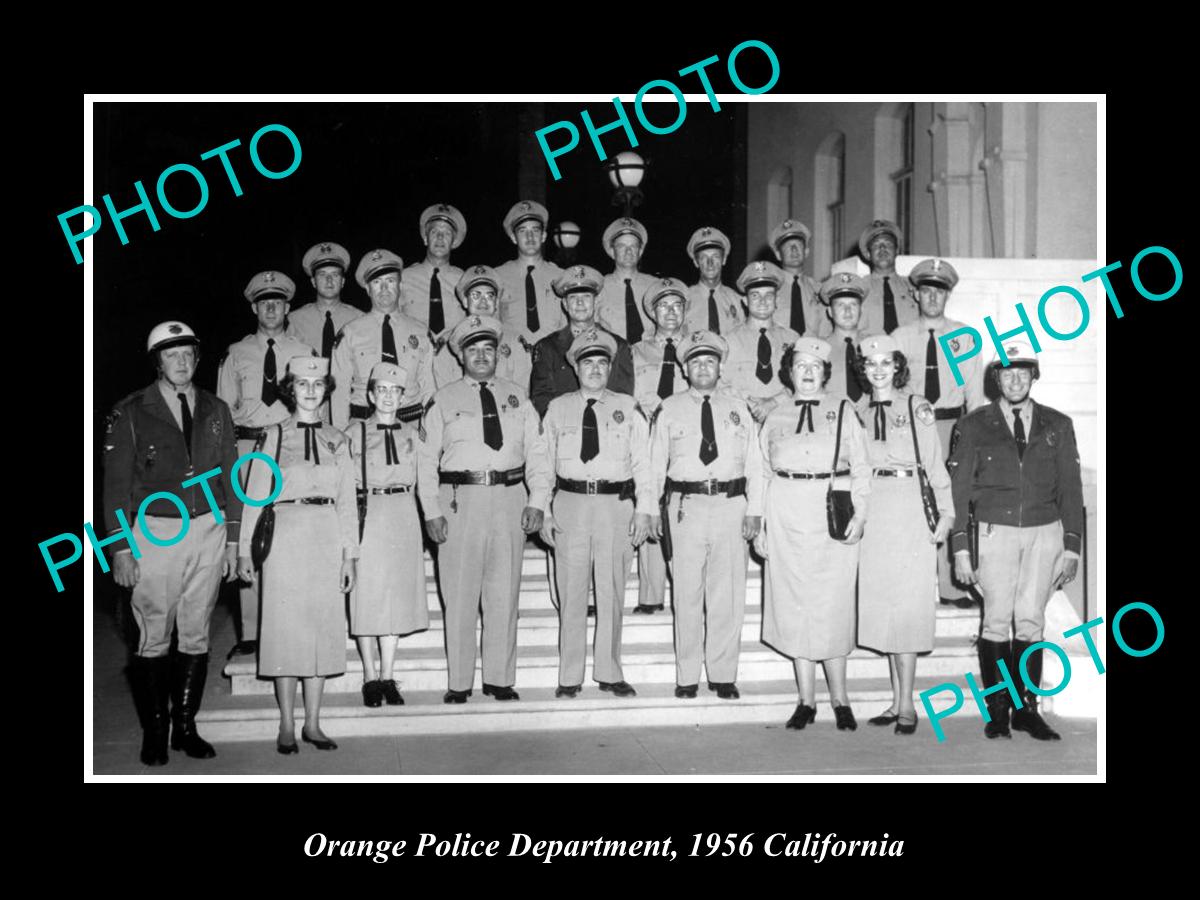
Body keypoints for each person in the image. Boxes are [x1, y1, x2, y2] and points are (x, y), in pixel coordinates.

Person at [103, 321, 240, 767]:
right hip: (156, 532)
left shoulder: (217, 409)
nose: (181, 362)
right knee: (153, 635)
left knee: (197, 631)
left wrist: (233, 540)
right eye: (171, 354)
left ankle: (186, 726)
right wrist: (121, 548)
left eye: (188, 354)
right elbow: (115, 487)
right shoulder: (131, 411)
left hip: (209, 530)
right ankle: (155, 731)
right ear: (157, 362)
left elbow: (231, 479)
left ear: (197, 358)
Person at [947, 338, 1083, 741]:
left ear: (1033, 377)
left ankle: (1027, 709)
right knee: (995, 622)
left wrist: (1072, 546)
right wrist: (960, 548)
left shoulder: (1058, 424)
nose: (1015, 380)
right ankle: (998, 710)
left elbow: (1071, 491)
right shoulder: (972, 425)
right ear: (996, 379)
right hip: (994, 533)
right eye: (1007, 373)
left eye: (1023, 372)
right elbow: (958, 492)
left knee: (1031, 623)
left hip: (1045, 533)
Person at [415, 315, 552, 703]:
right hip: (460, 501)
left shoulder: (517, 397)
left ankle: (499, 678)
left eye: (487, 349)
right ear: (460, 356)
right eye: (472, 350)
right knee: (458, 595)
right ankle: (459, 682)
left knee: (503, 594)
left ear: (497, 354)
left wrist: (537, 500)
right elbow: (425, 461)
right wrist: (431, 512)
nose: (480, 356)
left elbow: (538, 454)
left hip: (509, 498)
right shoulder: (443, 399)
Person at [237, 356, 359, 754]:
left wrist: (349, 556)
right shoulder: (272, 435)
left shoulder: (339, 438)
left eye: (318, 383)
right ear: (290, 389)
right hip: (285, 537)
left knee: (322, 629)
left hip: (326, 535)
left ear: (327, 390)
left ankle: (314, 723)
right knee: (285, 630)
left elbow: (346, 503)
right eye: (302, 383)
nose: (310, 390)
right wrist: (243, 553)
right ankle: (287, 724)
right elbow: (255, 496)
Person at [756, 336, 871, 731]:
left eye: (815, 366)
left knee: (832, 604)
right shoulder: (775, 415)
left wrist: (862, 512)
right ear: (788, 372)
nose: (807, 372)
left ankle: (840, 699)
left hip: (831, 510)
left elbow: (861, 465)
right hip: (785, 509)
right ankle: (806, 700)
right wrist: (759, 524)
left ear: (825, 372)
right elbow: (761, 471)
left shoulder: (843, 409)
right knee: (794, 604)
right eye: (800, 365)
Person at [534, 329, 653, 698]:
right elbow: (542, 463)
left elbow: (645, 463)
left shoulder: (629, 407)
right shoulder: (558, 408)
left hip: (615, 506)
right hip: (570, 503)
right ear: (576, 367)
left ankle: (609, 670)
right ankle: (569, 675)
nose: (596, 369)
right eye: (589, 362)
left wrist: (646, 510)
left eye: (603, 362)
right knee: (571, 593)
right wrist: (543, 509)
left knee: (612, 591)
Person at [649, 330, 763, 700]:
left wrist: (755, 510)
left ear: (720, 366)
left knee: (727, 594)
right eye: (695, 362)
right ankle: (686, 674)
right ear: (684, 368)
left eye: (709, 361)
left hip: (731, 505)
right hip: (686, 507)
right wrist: (648, 509)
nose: (702, 368)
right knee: (686, 592)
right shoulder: (668, 408)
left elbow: (756, 464)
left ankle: (723, 673)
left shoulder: (738, 407)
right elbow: (653, 466)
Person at [853, 334, 953, 735]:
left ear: (897, 366)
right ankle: (896, 701)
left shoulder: (917, 406)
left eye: (885, 363)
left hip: (910, 503)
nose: (878, 370)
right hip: (874, 508)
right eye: (870, 364)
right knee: (884, 605)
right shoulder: (856, 411)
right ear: (863, 370)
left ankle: (909, 702)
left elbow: (935, 463)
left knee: (909, 605)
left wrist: (946, 513)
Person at [217, 270, 316, 657]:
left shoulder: (305, 353)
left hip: (289, 448)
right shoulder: (236, 353)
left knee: (292, 531)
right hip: (249, 448)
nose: (271, 308)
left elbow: (314, 408)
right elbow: (224, 413)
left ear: (288, 307)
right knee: (249, 533)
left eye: (278, 302)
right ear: (255, 308)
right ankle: (253, 630)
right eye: (264, 302)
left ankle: (294, 620)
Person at [892, 258, 987, 608]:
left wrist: (976, 440)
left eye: (940, 291)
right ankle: (912, 585)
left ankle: (953, 587)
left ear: (948, 295)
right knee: (911, 499)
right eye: (927, 290)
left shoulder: (965, 337)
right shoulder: (899, 338)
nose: (933, 296)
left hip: (952, 426)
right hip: (912, 427)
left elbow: (974, 395)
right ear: (916, 294)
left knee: (953, 498)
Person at [347, 362, 428, 708]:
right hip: (369, 513)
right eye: (382, 390)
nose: (388, 397)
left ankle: (388, 676)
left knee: (395, 594)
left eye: (395, 391)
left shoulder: (412, 434)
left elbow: (423, 478)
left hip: (403, 512)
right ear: (370, 395)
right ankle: (368, 676)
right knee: (367, 595)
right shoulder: (354, 432)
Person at [628, 277, 690, 615]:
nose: (670, 311)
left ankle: (685, 586)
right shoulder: (636, 352)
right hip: (649, 436)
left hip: (685, 438)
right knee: (649, 502)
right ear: (652, 312)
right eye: (664, 306)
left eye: (677, 305)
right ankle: (651, 593)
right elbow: (625, 395)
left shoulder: (694, 348)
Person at [331, 249, 434, 428]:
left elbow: (428, 388)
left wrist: (430, 433)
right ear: (368, 288)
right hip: (363, 427)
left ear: (400, 285)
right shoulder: (350, 333)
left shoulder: (421, 332)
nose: (384, 288)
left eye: (390, 280)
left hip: (410, 426)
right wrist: (341, 437)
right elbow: (339, 392)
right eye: (377, 282)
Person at [530, 264, 634, 418]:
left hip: (607, 430)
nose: (580, 303)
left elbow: (624, 397)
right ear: (564, 304)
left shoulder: (619, 346)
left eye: (586, 296)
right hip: (564, 430)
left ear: (596, 301)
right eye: (573, 298)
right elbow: (541, 399)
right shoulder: (547, 347)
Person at [721, 260, 800, 424]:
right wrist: (748, 403)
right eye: (755, 295)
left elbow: (801, 382)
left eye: (769, 295)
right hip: (740, 422)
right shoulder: (728, 341)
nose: (763, 301)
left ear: (777, 299)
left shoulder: (792, 339)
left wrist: (773, 402)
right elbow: (720, 383)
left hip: (783, 422)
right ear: (745, 300)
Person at [433, 264, 532, 390]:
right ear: (464, 301)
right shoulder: (449, 341)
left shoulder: (515, 341)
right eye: (476, 295)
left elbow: (521, 391)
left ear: (496, 302)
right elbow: (444, 393)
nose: (483, 301)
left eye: (489, 296)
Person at [494, 200, 565, 344]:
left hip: (552, 359)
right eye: (523, 231)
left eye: (535, 230)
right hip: (511, 359)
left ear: (544, 236)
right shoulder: (498, 276)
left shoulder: (560, 276)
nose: (530, 237)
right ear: (514, 238)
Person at [287, 242, 362, 361]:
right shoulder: (295, 321)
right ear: (313, 281)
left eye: (335, 274)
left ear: (342, 281)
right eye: (322, 275)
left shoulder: (358, 319)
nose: (329, 280)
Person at [401, 204, 467, 335]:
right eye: (434, 232)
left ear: (454, 242)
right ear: (425, 239)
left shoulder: (464, 280)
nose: (440, 237)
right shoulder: (404, 278)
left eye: (447, 233)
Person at [595, 217, 657, 343]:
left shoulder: (655, 286)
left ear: (640, 251)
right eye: (621, 246)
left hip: (650, 358)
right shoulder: (598, 287)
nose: (628, 251)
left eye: (633, 246)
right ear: (612, 251)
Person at [856, 220, 918, 335]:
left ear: (897, 251)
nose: (882, 248)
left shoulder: (914, 287)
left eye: (888, 244)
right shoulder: (858, 289)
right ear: (868, 254)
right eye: (876, 245)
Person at [769, 219, 828, 337]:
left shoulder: (819, 290)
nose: (794, 249)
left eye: (798, 245)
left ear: (806, 251)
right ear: (778, 255)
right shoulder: (769, 290)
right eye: (787, 246)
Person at [683, 226, 744, 336]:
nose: (710, 263)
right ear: (696, 262)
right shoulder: (685, 299)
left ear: (724, 259)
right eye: (703, 257)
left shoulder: (736, 300)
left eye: (715, 256)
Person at [820, 272, 870, 402]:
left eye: (853, 304)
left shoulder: (874, 346)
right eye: (840, 305)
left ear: (861, 310)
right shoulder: (818, 350)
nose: (848, 311)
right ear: (830, 312)